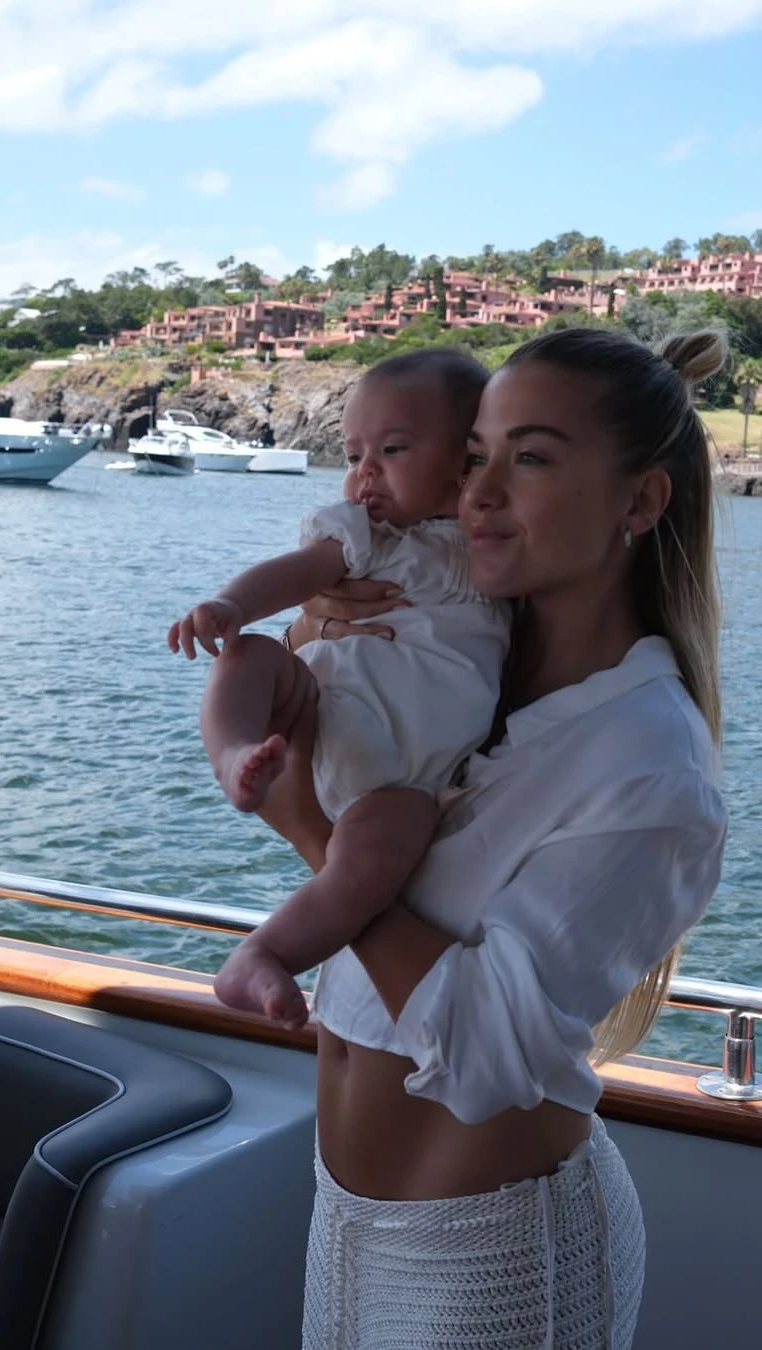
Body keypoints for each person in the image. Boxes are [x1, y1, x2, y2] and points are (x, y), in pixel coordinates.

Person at [230, 326, 729, 1348]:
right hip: (345, 1222)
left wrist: (313, 835)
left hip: (496, 1265)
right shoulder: (465, 668)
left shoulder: (647, 763)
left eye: (531, 458)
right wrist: (310, 628)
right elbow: (303, 731)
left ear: (639, 502)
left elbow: (487, 1052)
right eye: (474, 457)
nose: (479, 493)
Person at [168, 349, 511, 1024]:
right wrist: (234, 605)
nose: (364, 473)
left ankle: (264, 954)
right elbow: (299, 572)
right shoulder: (370, 536)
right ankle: (235, 753)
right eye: (353, 456)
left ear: (467, 455)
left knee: (370, 866)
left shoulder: (495, 550)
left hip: (401, 781)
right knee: (249, 656)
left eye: (390, 449)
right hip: (322, 707)